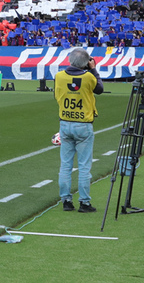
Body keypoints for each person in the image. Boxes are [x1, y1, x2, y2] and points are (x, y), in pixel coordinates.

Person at [54, 48, 103, 213]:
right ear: (86, 62)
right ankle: (84, 202)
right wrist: (94, 69)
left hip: (65, 123)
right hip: (83, 124)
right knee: (83, 166)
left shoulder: (59, 76)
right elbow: (99, 89)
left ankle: (66, 200)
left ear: (69, 59)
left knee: (65, 165)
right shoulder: (88, 76)